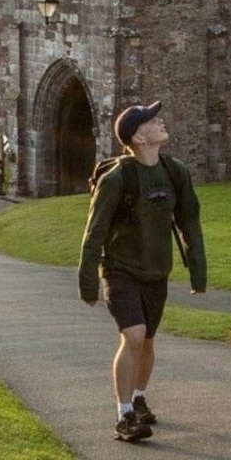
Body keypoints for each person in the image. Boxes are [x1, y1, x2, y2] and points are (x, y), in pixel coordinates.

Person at [76, 102, 205, 442]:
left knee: (147, 341)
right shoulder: (117, 178)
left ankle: (139, 398)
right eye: (152, 119)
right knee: (133, 336)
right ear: (138, 136)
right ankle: (124, 416)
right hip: (120, 270)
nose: (161, 120)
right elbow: (94, 233)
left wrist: (198, 272)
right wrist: (88, 283)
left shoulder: (175, 172)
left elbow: (189, 221)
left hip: (156, 271)